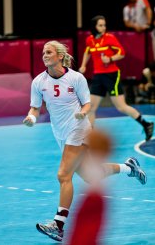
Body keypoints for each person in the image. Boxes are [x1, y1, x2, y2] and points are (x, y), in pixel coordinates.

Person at [23, 40, 147, 242]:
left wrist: (82, 113)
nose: (44, 55)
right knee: (92, 175)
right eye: (43, 52)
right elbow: (35, 107)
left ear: (60, 56)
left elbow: (88, 104)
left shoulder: (76, 78)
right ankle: (129, 167)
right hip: (60, 133)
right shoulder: (38, 82)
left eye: (49, 52)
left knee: (63, 175)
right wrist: (32, 118)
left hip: (79, 129)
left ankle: (58, 225)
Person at [79, 15, 154, 141]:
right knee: (91, 107)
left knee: (121, 107)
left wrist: (110, 59)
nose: (103, 28)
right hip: (98, 76)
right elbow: (87, 52)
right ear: (94, 27)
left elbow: (122, 53)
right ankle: (90, 136)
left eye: (104, 25)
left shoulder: (110, 38)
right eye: (100, 25)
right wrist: (83, 65)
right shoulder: (90, 40)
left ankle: (147, 124)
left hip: (111, 75)